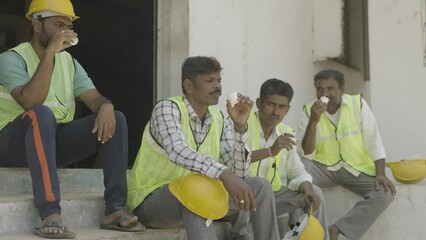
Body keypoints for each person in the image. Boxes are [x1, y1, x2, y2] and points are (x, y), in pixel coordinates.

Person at [0, 0, 144, 238]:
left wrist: (106, 106)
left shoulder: (70, 63)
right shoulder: (11, 59)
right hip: (12, 143)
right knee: (40, 115)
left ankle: (115, 209)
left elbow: (94, 98)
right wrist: (49, 53)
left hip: (50, 141)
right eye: (58, 24)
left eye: (68, 26)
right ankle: (50, 213)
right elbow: (30, 101)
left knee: (115, 118)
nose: (64, 32)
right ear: (37, 25)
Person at [127, 56, 280, 240]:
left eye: (219, 80)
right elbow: (178, 151)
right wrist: (223, 173)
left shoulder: (219, 118)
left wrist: (240, 128)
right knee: (197, 193)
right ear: (189, 86)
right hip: (153, 201)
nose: (218, 86)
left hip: (199, 193)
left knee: (261, 186)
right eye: (209, 81)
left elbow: (239, 174)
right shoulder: (167, 108)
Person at [296, 69, 396, 240]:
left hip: (355, 169)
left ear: (341, 89)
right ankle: (301, 231)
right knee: (297, 175)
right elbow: (306, 152)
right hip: (324, 168)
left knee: (385, 193)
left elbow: (374, 141)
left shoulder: (358, 104)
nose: (325, 93)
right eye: (320, 89)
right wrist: (314, 120)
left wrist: (380, 173)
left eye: (331, 88)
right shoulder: (308, 111)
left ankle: (337, 228)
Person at [247, 79, 329, 240]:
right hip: (243, 200)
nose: (276, 112)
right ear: (258, 103)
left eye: (282, 107)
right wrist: (271, 151)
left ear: (288, 109)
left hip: (273, 200)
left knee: (314, 192)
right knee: (262, 186)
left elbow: (297, 171)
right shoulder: (242, 124)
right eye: (271, 104)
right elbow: (235, 161)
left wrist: (308, 190)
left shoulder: (286, 132)